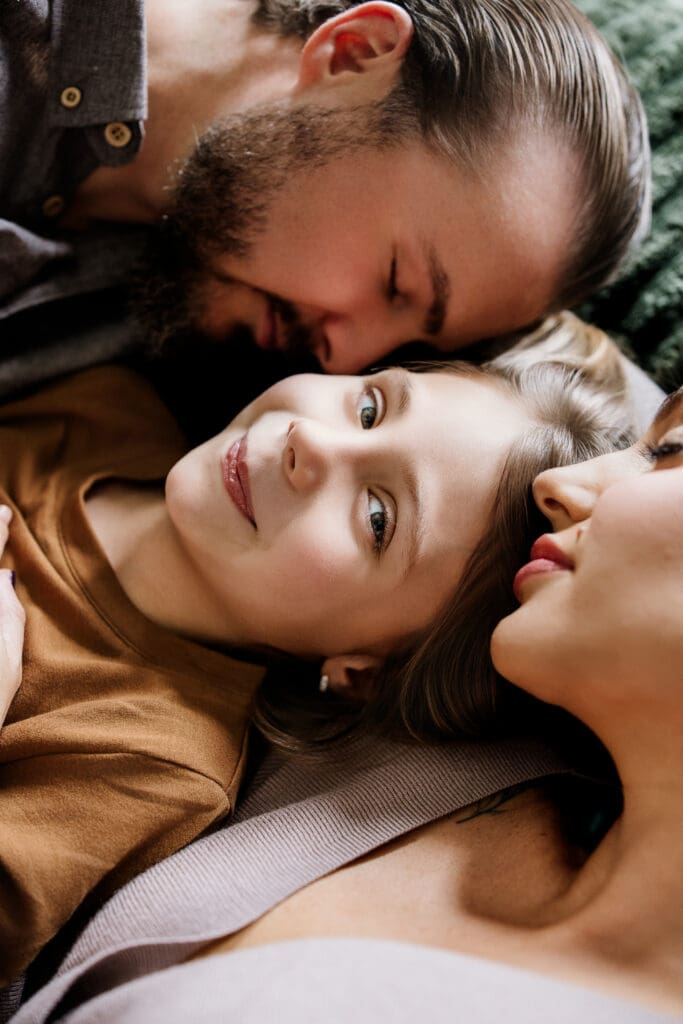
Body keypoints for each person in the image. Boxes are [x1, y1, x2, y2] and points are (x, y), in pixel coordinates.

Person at [9, 385, 679, 1024]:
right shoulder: (113, 416)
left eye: (668, 449)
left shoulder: (152, 757)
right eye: (368, 405)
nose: (559, 488)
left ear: (363, 673)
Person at [1, 0, 650, 387]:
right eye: (397, 283)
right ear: (352, 55)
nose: (345, 361)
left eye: (409, 349)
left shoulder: (183, 308)